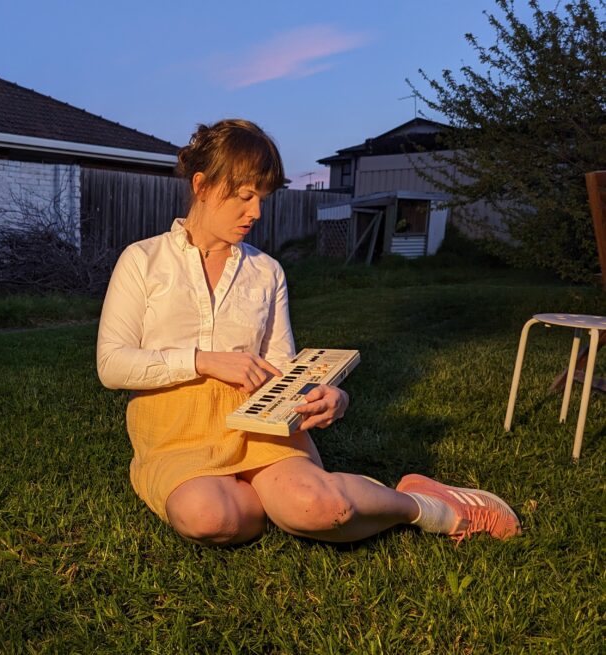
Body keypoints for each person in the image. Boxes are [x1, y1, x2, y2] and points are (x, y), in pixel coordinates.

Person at [96, 118, 521, 547]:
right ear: (203, 186)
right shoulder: (143, 260)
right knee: (208, 517)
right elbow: (112, 364)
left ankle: (430, 506)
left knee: (324, 509)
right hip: (175, 429)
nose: (256, 212)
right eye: (245, 197)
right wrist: (203, 360)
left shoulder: (265, 271)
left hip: (260, 423)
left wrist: (324, 395)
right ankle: (282, 498)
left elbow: (284, 367)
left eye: (262, 198)